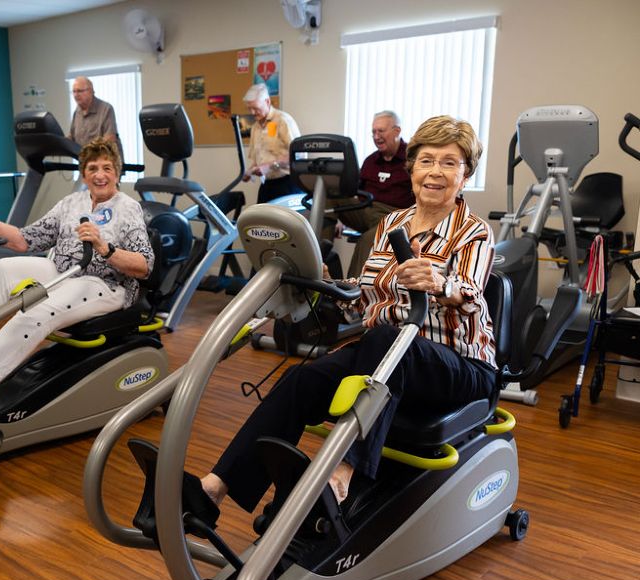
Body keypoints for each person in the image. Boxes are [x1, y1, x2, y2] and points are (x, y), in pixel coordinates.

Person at [201, 115, 497, 509]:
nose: (435, 173)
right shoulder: (393, 223)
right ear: (412, 169)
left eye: (449, 163)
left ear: (465, 174)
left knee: (386, 340)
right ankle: (215, 487)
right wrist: (328, 283)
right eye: (427, 161)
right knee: (299, 380)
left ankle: (342, 475)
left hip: (458, 368)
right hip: (387, 354)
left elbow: (471, 291)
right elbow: (364, 300)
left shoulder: (474, 231)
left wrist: (440, 283)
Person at [0, 137, 153, 398]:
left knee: (40, 306)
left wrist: (103, 247)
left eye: (107, 168)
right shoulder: (71, 203)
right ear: (84, 174)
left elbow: (144, 266)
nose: (100, 175)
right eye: (92, 169)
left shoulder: (128, 208)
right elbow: (25, 239)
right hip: (62, 271)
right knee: (3, 268)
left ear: (117, 173)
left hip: (106, 284)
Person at [337, 111, 417, 277]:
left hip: (395, 215)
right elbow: (354, 192)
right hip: (367, 210)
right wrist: (338, 218)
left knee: (366, 240)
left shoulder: (413, 159)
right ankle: (317, 266)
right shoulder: (370, 160)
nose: (376, 136)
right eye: (373, 132)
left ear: (397, 131)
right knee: (333, 198)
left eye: (381, 131)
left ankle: (351, 294)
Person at [242, 83, 301, 204]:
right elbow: (257, 159)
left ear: (267, 102)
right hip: (267, 184)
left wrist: (269, 166)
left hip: (287, 184)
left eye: (256, 108)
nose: (252, 112)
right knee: (260, 221)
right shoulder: (255, 127)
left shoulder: (283, 120)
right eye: (249, 108)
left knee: (283, 223)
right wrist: (249, 172)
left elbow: (298, 155)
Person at [68, 77, 123, 158]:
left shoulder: (106, 109)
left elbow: (110, 139)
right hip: (86, 164)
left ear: (90, 91)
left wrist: (88, 153)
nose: (76, 95)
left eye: (79, 91)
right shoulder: (76, 112)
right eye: (74, 91)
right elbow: (71, 138)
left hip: (106, 164)